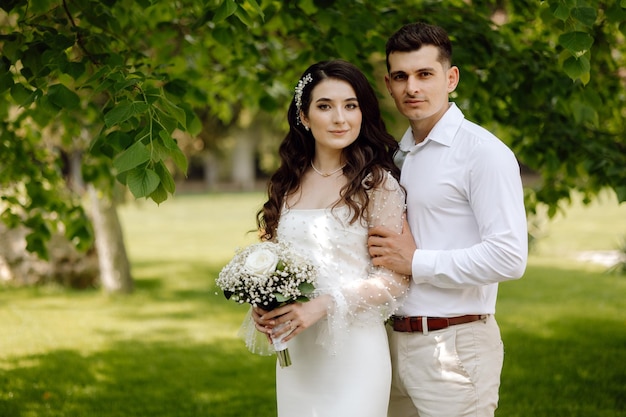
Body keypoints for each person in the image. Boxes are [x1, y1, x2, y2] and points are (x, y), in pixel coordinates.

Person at [367, 22, 528, 417]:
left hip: (455, 345)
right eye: (401, 77)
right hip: (388, 345)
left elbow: (510, 257)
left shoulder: (483, 154)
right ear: (388, 83)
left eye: (425, 74)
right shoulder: (397, 155)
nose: (412, 88)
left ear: (451, 78)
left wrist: (416, 262)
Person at [245, 59, 410, 417]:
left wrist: (323, 305)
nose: (340, 118)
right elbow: (279, 261)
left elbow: (395, 280)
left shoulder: (376, 183)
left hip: (354, 351)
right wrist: (265, 303)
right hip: (299, 353)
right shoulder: (288, 184)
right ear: (303, 117)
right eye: (325, 106)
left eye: (350, 106)